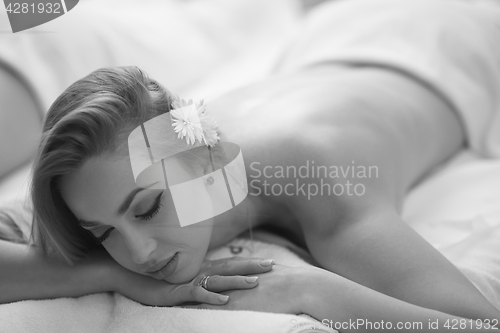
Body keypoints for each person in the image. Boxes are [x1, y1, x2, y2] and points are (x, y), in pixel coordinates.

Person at [1, 0, 500, 331]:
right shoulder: (121, 165)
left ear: (207, 159)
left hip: (449, 36)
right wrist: (113, 278)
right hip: (322, 44)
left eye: (149, 208)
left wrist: (309, 288)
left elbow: (475, 325)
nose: (138, 252)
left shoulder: (313, 178)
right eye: (102, 233)